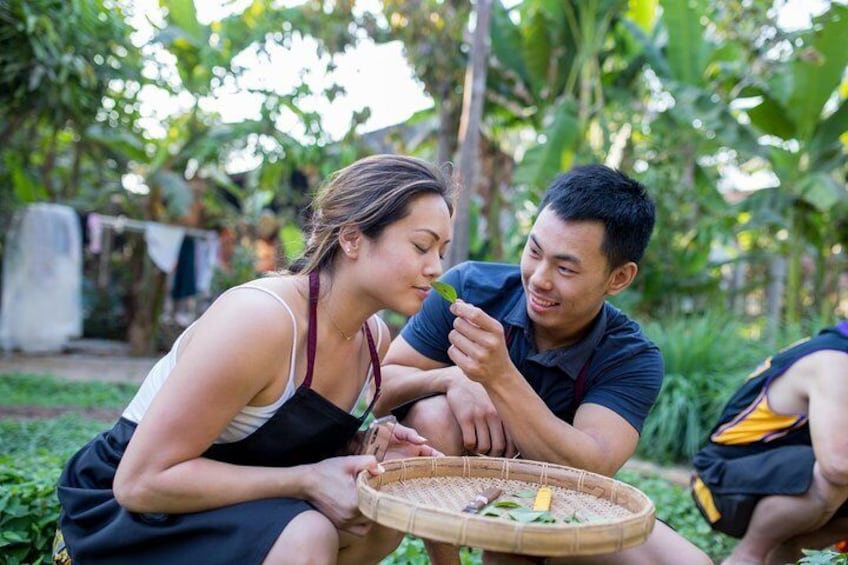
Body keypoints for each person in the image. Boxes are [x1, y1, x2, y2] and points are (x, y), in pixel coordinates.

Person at [55, 154, 454, 565]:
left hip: (222, 500)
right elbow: (139, 483)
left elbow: (275, 440)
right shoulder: (261, 319)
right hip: (126, 512)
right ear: (351, 238)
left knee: (376, 509)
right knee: (308, 534)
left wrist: (363, 448)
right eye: (421, 246)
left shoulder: (373, 337)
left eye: (441, 251)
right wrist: (307, 480)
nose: (436, 268)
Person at [374, 164, 712, 564]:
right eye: (534, 251)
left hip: (558, 497)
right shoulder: (469, 290)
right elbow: (380, 386)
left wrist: (498, 376)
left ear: (618, 278)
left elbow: (592, 467)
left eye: (565, 268)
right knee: (433, 413)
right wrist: (451, 379)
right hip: (461, 477)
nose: (539, 279)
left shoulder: (631, 356)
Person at [691, 322, 848, 565]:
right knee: (833, 475)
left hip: (781, 475)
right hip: (722, 479)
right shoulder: (834, 361)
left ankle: (788, 554)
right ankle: (745, 558)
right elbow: (838, 465)